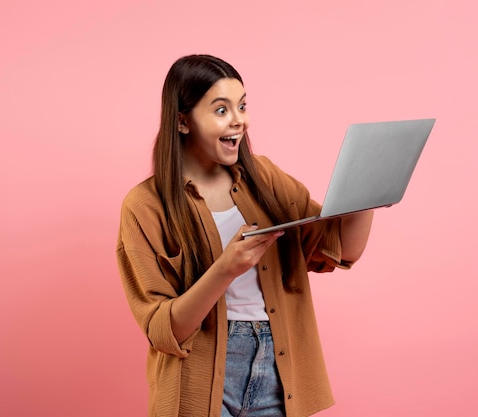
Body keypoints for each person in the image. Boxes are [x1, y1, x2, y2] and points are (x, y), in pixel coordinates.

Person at [116, 54, 374, 417]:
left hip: (277, 371)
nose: (240, 120)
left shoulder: (264, 177)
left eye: (242, 105)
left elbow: (341, 249)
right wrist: (225, 269)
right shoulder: (144, 206)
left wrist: (371, 191)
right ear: (182, 121)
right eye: (221, 110)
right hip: (198, 376)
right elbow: (163, 331)